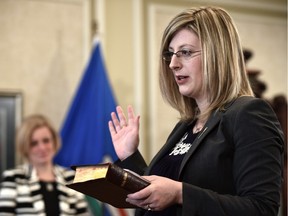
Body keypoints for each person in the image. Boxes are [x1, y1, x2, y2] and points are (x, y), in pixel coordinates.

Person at [108, 6, 284, 216]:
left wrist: (180, 193)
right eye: (170, 54)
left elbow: (262, 208)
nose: (173, 64)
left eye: (185, 52)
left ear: (217, 55)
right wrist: (130, 155)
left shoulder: (249, 114)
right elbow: (156, 198)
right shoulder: (185, 126)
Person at [0, 114, 89, 215]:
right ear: (24, 146)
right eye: (34, 143)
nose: (42, 148)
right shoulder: (13, 178)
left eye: (46, 141)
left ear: (54, 142)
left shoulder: (71, 178)